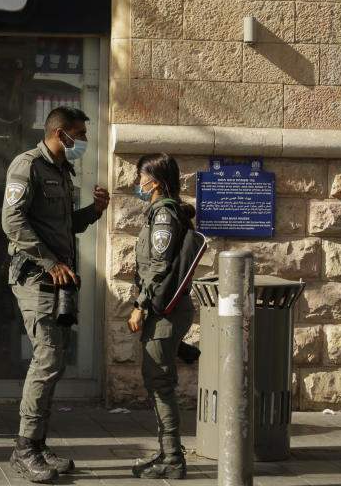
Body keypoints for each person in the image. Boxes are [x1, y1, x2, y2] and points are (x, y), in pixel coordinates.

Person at [2, 106, 109, 483]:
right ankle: (24, 449)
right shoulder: (27, 165)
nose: (83, 141)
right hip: (35, 277)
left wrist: (94, 212)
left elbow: (63, 225)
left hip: (58, 280)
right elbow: (11, 221)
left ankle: (38, 442)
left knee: (55, 363)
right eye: (79, 135)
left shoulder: (63, 171)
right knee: (46, 361)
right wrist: (49, 263)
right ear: (60, 133)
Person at [128, 153, 196, 480]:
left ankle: (172, 459)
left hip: (163, 311)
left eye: (140, 175)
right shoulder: (159, 211)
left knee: (160, 384)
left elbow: (159, 266)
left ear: (154, 180)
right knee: (158, 381)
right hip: (164, 309)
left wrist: (140, 305)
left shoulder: (164, 215)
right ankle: (166, 452)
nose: (136, 181)